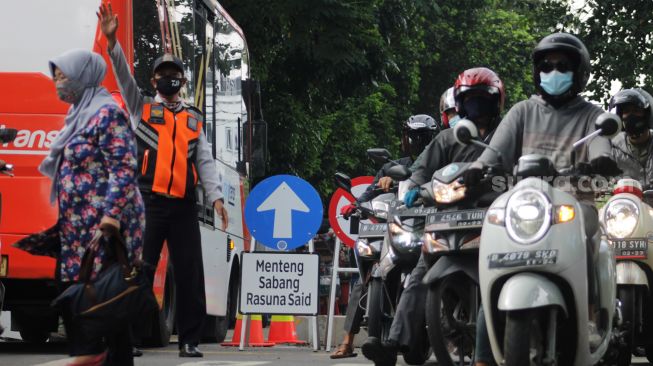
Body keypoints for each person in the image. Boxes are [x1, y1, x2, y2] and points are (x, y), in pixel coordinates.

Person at [464, 33, 620, 366]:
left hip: (574, 204)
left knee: (591, 234)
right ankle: (482, 355)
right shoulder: (522, 112)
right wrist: (477, 168)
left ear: (578, 73)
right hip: (525, 209)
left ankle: (590, 317)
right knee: (494, 259)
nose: (553, 72)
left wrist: (599, 162)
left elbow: (602, 149)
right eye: (547, 66)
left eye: (562, 66)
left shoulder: (592, 116)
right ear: (537, 72)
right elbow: (494, 153)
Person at [98, 4, 228, 358]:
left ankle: (189, 340)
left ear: (182, 81)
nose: (167, 79)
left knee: (189, 273)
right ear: (154, 81)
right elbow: (123, 75)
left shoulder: (193, 119)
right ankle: (131, 338)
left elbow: (205, 161)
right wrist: (112, 43)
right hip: (147, 203)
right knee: (139, 271)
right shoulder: (140, 106)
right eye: (161, 74)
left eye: (174, 74)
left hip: (183, 205)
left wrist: (216, 198)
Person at [362, 67, 505, 366]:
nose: (476, 107)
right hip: (449, 221)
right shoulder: (447, 139)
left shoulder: (508, 135)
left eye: (483, 99)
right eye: (470, 99)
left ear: (496, 101)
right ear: (460, 102)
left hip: (497, 224)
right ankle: (394, 343)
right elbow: (420, 173)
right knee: (418, 276)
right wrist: (412, 190)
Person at [13, 49, 145, 366]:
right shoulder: (79, 116)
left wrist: (111, 215)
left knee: (105, 309)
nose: (58, 83)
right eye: (56, 76)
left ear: (83, 76)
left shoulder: (107, 114)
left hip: (105, 230)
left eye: (63, 76)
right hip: (78, 231)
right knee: (90, 309)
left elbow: (124, 168)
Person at [330, 114, 438, 359]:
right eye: (412, 136)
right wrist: (356, 204)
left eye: (421, 137)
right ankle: (348, 341)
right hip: (398, 227)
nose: (415, 141)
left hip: (429, 227)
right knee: (367, 273)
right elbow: (370, 191)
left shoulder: (437, 164)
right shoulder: (392, 165)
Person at [608, 88, 653, 189]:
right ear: (620, 117)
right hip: (625, 203)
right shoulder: (612, 147)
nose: (631, 116)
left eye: (636, 110)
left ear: (647, 115)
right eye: (626, 111)